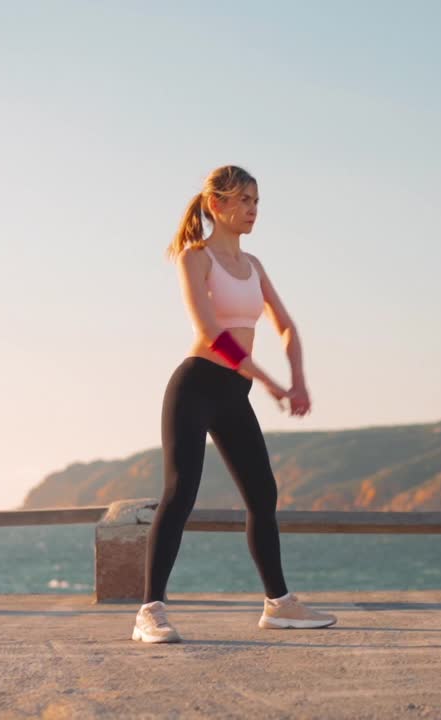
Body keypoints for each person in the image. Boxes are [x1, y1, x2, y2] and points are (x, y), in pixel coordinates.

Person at [133, 165, 338, 644]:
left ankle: (279, 605)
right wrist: (268, 381)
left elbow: (285, 325)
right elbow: (211, 333)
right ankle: (150, 611)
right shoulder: (195, 258)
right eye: (244, 200)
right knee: (181, 491)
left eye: (257, 201)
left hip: (233, 392)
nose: (253, 210)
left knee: (262, 494)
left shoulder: (254, 266)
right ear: (216, 205)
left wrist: (298, 380)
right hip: (197, 385)